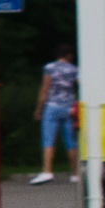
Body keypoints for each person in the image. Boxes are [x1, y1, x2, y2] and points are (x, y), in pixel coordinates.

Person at [31, 48, 79, 185]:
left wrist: (39, 109)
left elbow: (45, 88)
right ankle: (75, 174)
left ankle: (47, 171)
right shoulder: (74, 69)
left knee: (48, 139)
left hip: (52, 106)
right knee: (71, 141)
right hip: (69, 107)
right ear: (68, 55)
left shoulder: (49, 68)